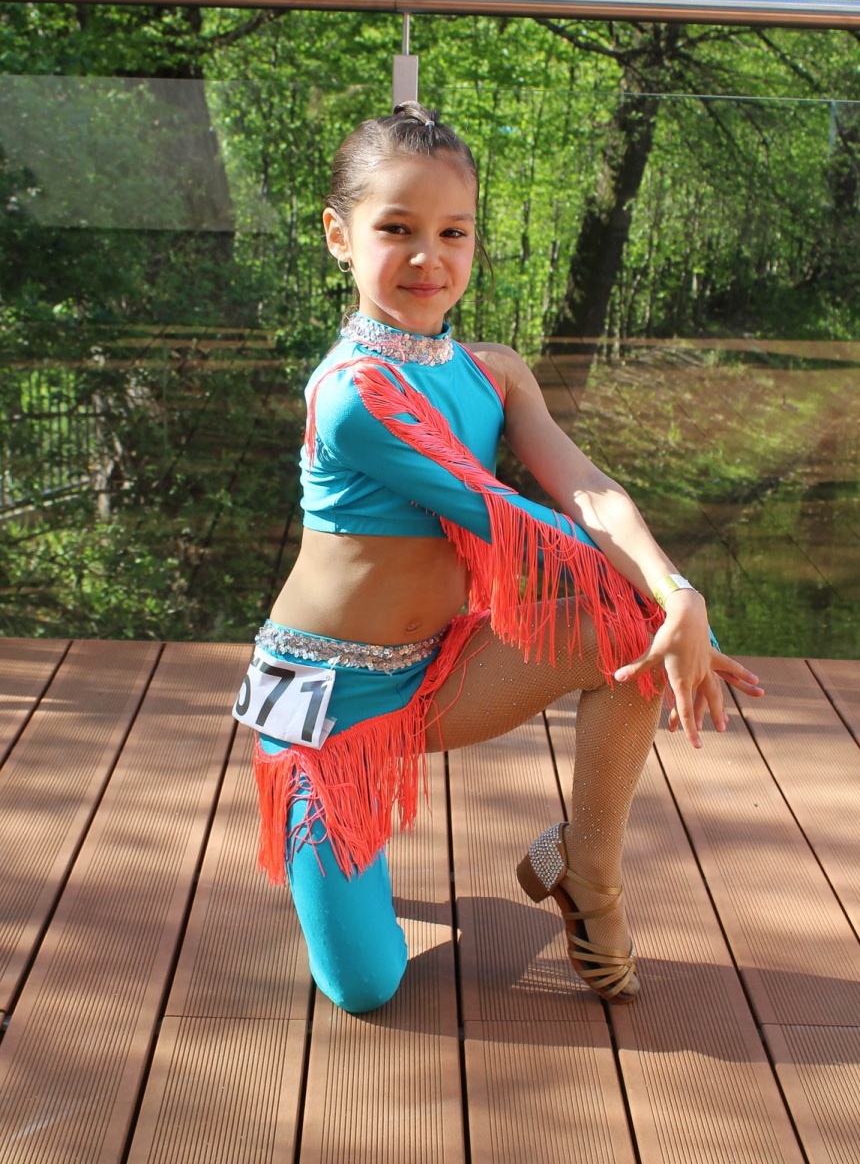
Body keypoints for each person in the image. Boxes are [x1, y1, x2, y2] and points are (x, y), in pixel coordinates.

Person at [235, 101, 763, 1015]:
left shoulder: (495, 371)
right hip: (325, 705)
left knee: (633, 633)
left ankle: (586, 869)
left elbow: (587, 489)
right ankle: (333, 840)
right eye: (396, 230)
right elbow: (511, 523)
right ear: (339, 236)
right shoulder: (354, 394)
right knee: (366, 987)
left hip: (439, 670)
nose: (428, 258)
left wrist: (676, 594)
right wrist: (675, 607)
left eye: (453, 232)